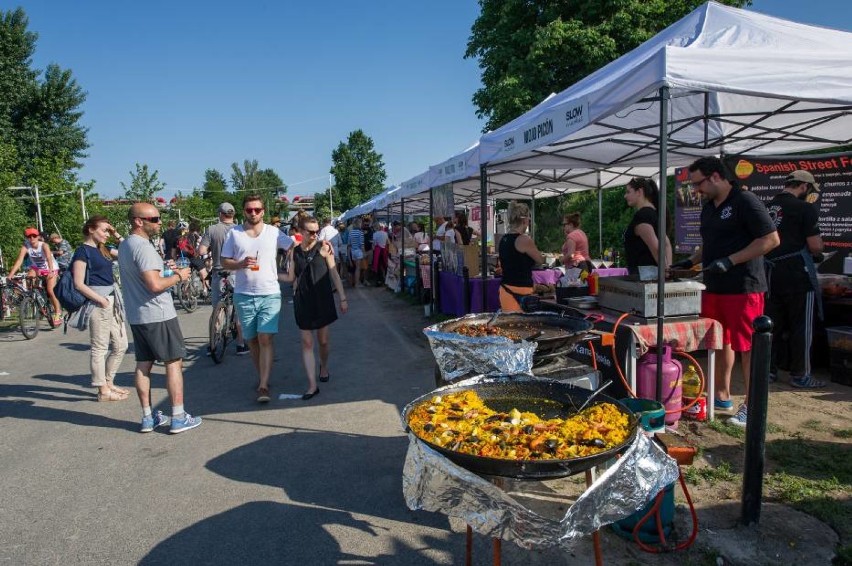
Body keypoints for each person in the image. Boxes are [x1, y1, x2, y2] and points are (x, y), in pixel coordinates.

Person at [672, 157, 779, 428]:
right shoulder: (709, 208)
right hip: (714, 287)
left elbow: (770, 240)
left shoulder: (746, 202)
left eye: (698, 183)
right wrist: (690, 261)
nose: (696, 190)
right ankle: (721, 395)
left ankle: (753, 408)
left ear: (716, 176)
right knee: (719, 341)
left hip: (744, 288)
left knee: (749, 347)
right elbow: (710, 244)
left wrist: (732, 260)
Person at [117, 203, 202, 434]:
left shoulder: (125, 244)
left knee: (143, 364)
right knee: (173, 363)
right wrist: (178, 275)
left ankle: (147, 417)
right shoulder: (143, 247)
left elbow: (144, 276)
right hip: (158, 313)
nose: (159, 222)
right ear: (138, 221)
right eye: (153, 219)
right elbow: (154, 285)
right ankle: (178, 416)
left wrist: (165, 270)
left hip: (137, 314)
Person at [221, 194, 294, 403]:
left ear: (263, 211)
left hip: (269, 292)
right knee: (252, 340)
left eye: (257, 209)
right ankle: (262, 374)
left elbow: (294, 246)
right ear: (244, 211)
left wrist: (292, 270)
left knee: (265, 337)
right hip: (243, 294)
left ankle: (263, 385)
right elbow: (225, 261)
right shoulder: (234, 233)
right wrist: (240, 264)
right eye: (249, 210)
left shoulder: (273, 232)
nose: (253, 213)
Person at [765, 170, 825, 389]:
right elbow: (816, 246)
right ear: (803, 187)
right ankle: (801, 375)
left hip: (770, 275)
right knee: (802, 327)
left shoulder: (767, 206)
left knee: (770, 327)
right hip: (798, 275)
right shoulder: (805, 208)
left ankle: (767, 371)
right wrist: (819, 254)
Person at [279, 216, 348, 400]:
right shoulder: (295, 252)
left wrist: (342, 298)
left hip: (323, 298)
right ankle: (312, 385)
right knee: (307, 343)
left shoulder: (324, 248)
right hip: (303, 300)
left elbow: (334, 273)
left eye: (316, 231)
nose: (315, 234)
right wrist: (270, 274)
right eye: (310, 232)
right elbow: (291, 277)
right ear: (300, 232)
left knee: (323, 341)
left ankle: (323, 366)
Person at [71, 216, 129, 402]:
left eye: (107, 231)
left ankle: (109, 382)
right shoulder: (82, 252)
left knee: (121, 345)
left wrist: (116, 234)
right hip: (98, 301)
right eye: (104, 230)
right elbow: (78, 283)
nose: (106, 234)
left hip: (113, 299)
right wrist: (101, 300)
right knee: (100, 347)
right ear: (90, 230)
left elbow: (128, 252)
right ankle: (103, 390)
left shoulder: (103, 249)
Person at [198, 202, 248, 355]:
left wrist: (209, 257)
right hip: (237, 273)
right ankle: (240, 344)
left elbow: (201, 250)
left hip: (219, 273)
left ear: (220, 214)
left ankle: (213, 342)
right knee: (239, 308)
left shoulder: (212, 229)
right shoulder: (241, 230)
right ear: (233, 215)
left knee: (216, 309)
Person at [8, 227, 62, 325]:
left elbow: (49, 257)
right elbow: (19, 260)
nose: (32, 238)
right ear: (27, 238)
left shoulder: (44, 245)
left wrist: (50, 271)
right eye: (29, 236)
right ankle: (35, 299)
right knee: (28, 280)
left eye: (34, 236)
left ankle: (58, 312)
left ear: (38, 236)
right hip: (37, 268)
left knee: (50, 290)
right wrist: (11, 274)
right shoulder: (26, 246)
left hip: (51, 267)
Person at [498, 202, 544, 312]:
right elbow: (540, 260)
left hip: (506, 289)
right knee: (523, 327)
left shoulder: (503, 239)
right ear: (524, 220)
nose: (529, 221)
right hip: (521, 291)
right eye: (528, 218)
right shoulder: (524, 240)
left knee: (511, 327)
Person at [623, 177, 673, 275]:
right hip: (650, 275)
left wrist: (666, 272)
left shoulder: (642, 216)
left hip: (644, 276)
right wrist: (668, 269)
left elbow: (656, 247)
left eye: (628, 192)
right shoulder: (653, 213)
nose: (625, 196)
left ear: (639, 192)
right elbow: (666, 245)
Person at [347, 220, 364, 287]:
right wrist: (364, 252)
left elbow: (349, 244)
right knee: (358, 268)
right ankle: (357, 283)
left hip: (352, 251)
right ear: (359, 224)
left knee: (354, 267)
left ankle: (354, 282)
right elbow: (362, 244)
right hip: (358, 251)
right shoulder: (360, 233)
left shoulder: (350, 232)